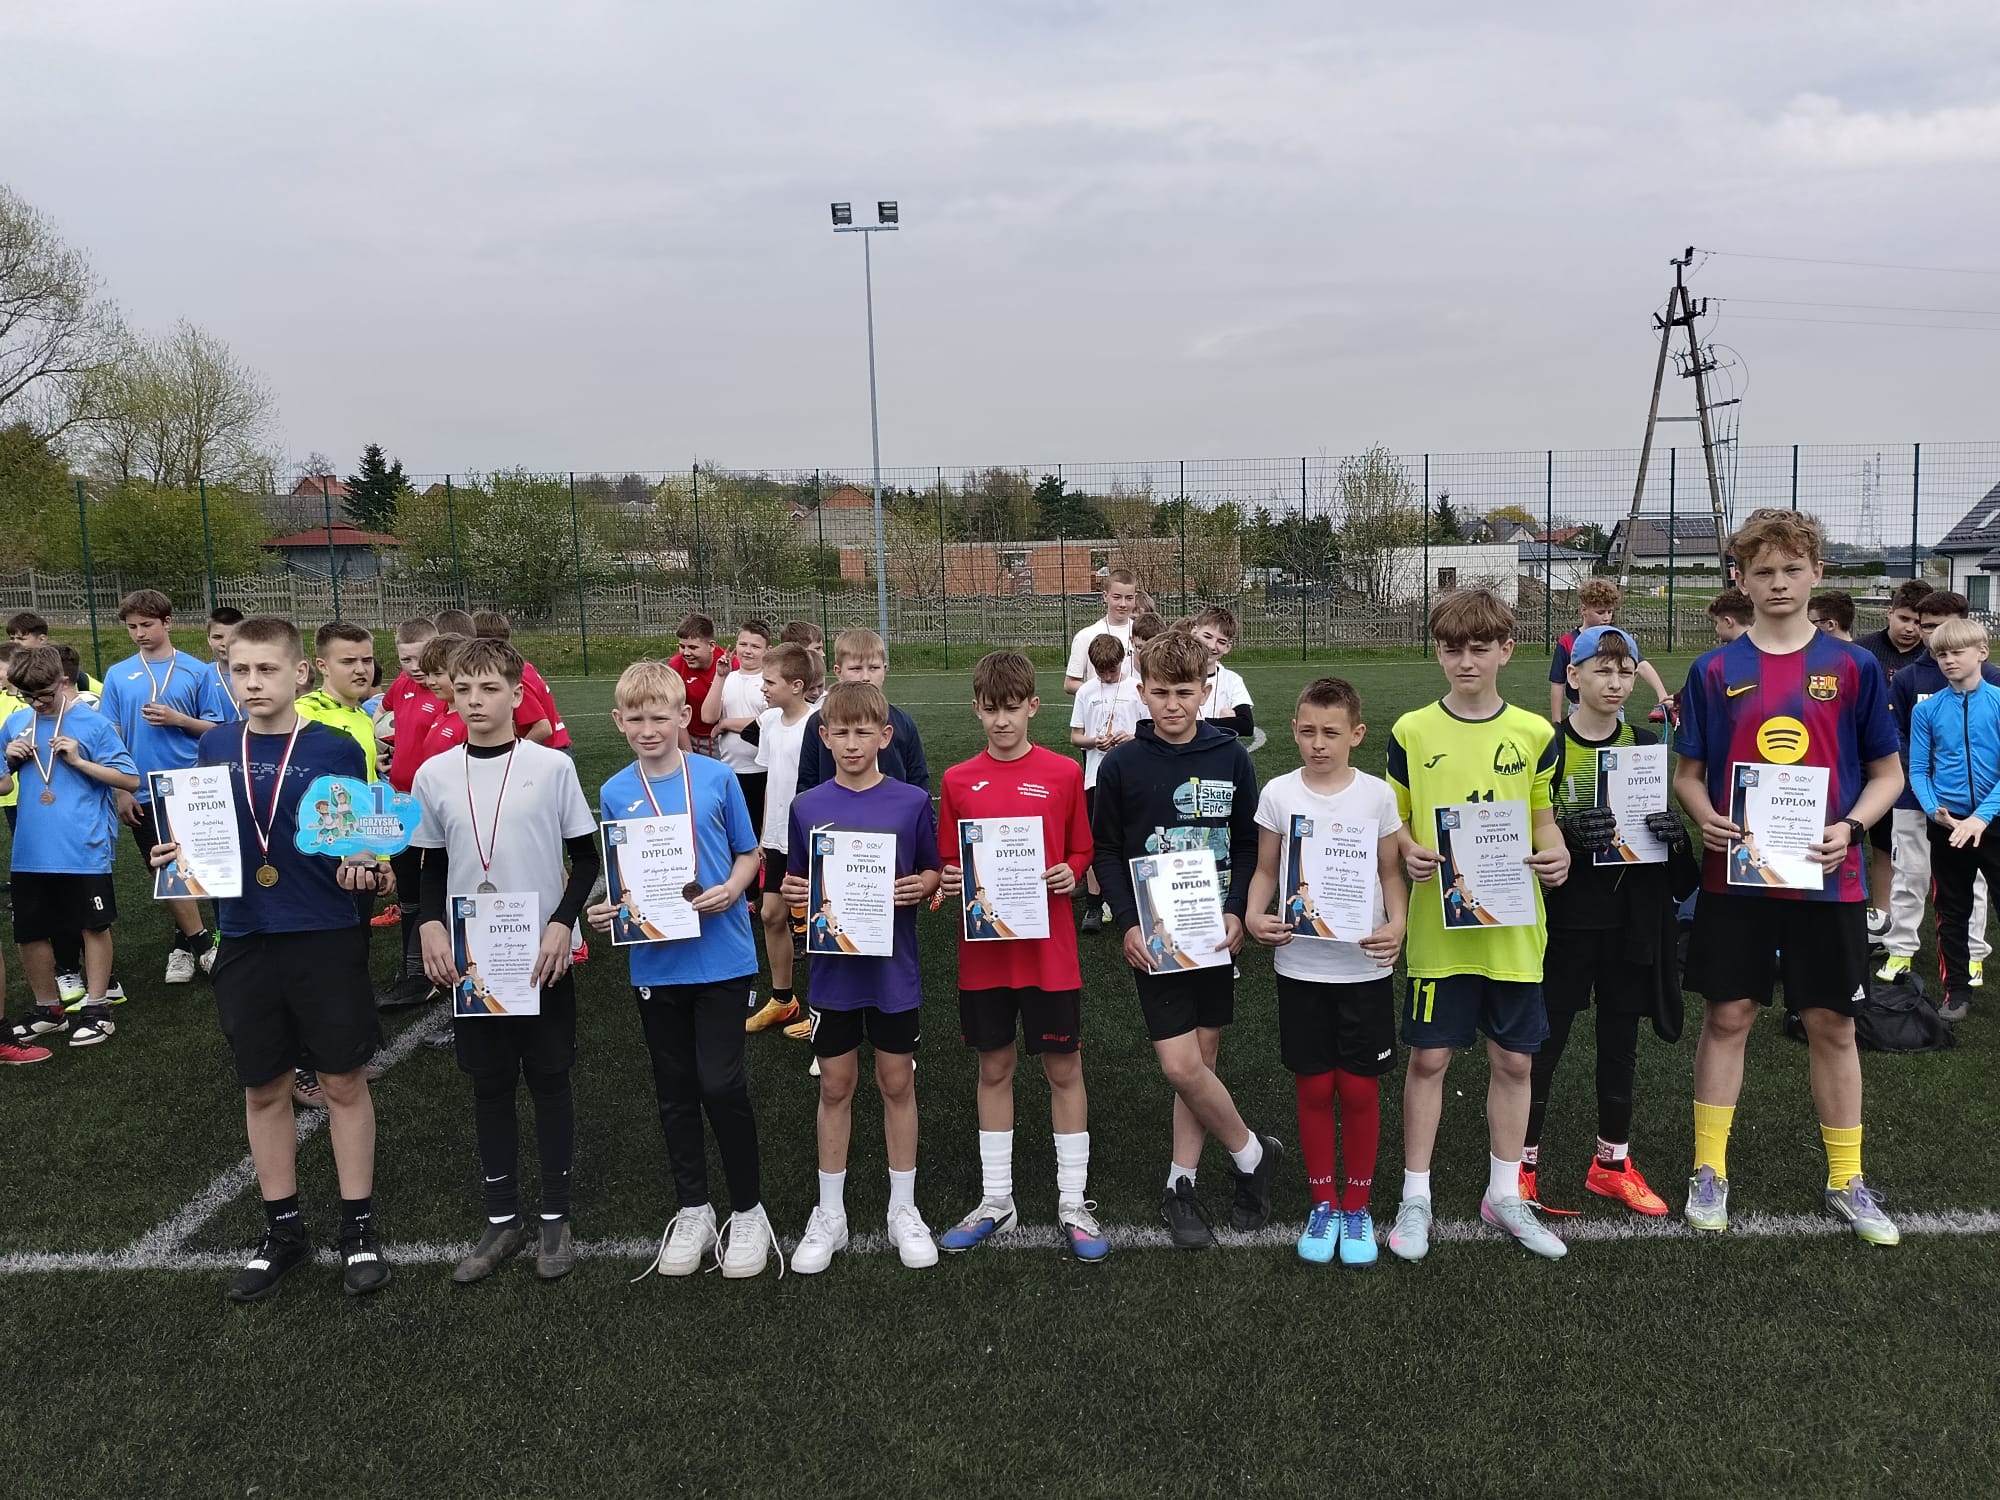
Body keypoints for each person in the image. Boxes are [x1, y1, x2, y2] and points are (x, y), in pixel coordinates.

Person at [1673, 508, 1904, 1245]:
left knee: (1833, 1022)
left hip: (1827, 878)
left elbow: (1887, 774)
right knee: (1729, 1016)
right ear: (1740, 579)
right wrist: (1706, 816)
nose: (1778, 583)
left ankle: (1847, 1179)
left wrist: (1852, 828)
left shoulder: (1853, 667)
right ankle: (1709, 1170)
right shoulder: (1715, 670)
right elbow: (1688, 775)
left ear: (1816, 574)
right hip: (1736, 877)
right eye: (1763, 571)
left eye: (1791, 569)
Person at [155, 616, 393, 1300]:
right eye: (240, 670)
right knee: (263, 1087)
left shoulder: (335, 747)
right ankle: (284, 1232)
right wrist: (177, 855)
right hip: (245, 935)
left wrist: (367, 860)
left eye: (266, 669)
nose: (252, 682)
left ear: (299, 674)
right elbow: (207, 835)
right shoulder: (214, 746)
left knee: (342, 1082)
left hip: (323, 932)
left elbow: (363, 837)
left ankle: (357, 1229)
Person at [1385, 588, 1572, 1262]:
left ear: (1505, 650)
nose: (1465, 661)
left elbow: (1543, 818)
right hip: (1440, 931)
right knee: (1429, 1058)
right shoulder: (1411, 731)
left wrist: (1558, 854)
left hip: (1513, 932)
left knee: (1514, 1061)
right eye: (1451, 649)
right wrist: (1408, 848)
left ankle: (1503, 1194)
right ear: (1438, 653)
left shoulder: (1536, 733)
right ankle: (1415, 1197)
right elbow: (1395, 820)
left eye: (1479, 648)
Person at [414, 638, 601, 1283]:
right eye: (463, 689)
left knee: (549, 1078)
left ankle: (554, 1216)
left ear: (517, 695)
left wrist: (561, 923)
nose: (475, 701)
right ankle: (501, 1219)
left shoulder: (550, 768)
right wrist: (430, 922)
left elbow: (587, 858)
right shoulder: (435, 773)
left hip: (541, 956)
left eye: (489, 689)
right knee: (489, 1083)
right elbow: (430, 863)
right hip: (475, 961)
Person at [1092, 630, 1279, 1250]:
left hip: (1212, 933)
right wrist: (1126, 921)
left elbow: (1248, 843)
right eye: (1160, 692)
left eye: (1184, 692)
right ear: (1141, 690)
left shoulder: (1230, 757)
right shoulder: (1122, 764)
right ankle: (1252, 1154)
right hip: (1155, 936)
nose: (1172, 704)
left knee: (1202, 1058)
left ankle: (1182, 1181)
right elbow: (1107, 849)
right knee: (1179, 1065)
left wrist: (1236, 910)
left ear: (1205, 690)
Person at [588, 662, 774, 1279]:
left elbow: (750, 853)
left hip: (722, 958)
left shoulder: (717, 777)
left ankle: (748, 1210)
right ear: (619, 721)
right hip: (657, 963)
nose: (648, 728)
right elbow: (622, 878)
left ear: (682, 717)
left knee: (720, 1084)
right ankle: (694, 1208)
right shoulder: (615, 790)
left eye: (659, 716)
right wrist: (608, 911)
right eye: (635, 718)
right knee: (674, 1090)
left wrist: (733, 889)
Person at [936, 652, 1105, 1261]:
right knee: (994, 1069)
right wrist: (949, 878)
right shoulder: (957, 780)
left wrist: (1070, 872)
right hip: (985, 956)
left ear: (1034, 706)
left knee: (1064, 1069)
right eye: (991, 709)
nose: (1001, 721)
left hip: (1048, 954)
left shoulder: (1062, 772)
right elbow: (948, 861)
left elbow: (1082, 849)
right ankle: (996, 1200)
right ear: (976, 709)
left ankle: (1073, 1201)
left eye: (1012, 708)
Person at [1524, 625, 1698, 1216]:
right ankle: (1522, 1165)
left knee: (1620, 1043)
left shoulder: (1644, 745)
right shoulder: (1545, 744)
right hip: (1565, 920)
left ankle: (1612, 1163)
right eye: (1602, 669)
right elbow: (1516, 841)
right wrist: (1563, 836)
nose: (1616, 682)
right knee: (1544, 1041)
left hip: (1631, 922)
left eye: (1625, 671)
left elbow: (1678, 877)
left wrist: (1677, 840)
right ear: (1573, 676)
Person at [780, 681, 943, 1274]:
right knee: (835, 1085)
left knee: (897, 1083)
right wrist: (793, 890)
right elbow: (797, 880)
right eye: (841, 732)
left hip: (893, 972)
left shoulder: (910, 802)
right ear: (824, 737)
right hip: (834, 975)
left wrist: (923, 886)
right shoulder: (807, 806)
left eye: (863, 732)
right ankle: (831, 1213)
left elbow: (932, 872)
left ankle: (904, 1208)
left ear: (885, 736)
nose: (852, 743)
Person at [1245, 676, 1408, 1265]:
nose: (1318, 743)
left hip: (1363, 968)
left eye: (1331, 733)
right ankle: (1323, 1202)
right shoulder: (1279, 793)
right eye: (1308, 731)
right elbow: (1268, 870)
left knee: (1359, 1089)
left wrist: (1398, 924)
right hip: (1301, 965)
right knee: (1314, 1087)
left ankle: (1356, 1206)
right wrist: (1254, 913)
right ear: (1294, 730)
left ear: (1356, 735)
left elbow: (1390, 873)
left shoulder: (1377, 796)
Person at [789, 627, 930, 1026]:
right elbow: (807, 784)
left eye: (873, 667)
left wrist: (922, 874)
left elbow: (919, 782)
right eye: (856, 668)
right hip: (836, 850)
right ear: (837, 670)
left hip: (889, 855)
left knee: (888, 947)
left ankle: (892, 1017)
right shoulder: (818, 728)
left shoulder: (902, 725)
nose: (865, 675)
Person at [3, 645, 139, 1048]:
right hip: (30, 849)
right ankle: (49, 1009)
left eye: (44, 694)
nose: (37, 703)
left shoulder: (92, 723)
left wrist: (80, 762)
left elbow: (129, 779)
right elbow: (3, 786)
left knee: (92, 925)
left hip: (83, 846)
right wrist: (9, 762)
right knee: (29, 932)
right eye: (27, 696)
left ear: (62, 680)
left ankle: (97, 1008)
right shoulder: (16, 724)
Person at [99, 589, 227, 983]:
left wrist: (178, 719)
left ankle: (184, 947)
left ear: (167, 623)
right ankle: (201, 946)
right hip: (141, 785)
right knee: (164, 868)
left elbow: (215, 728)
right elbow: (111, 735)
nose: (139, 633)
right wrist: (121, 789)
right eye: (132, 626)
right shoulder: (118, 674)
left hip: (190, 782)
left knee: (191, 868)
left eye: (146, 624)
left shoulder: (196, 671)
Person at [1881, 590, 2000, 987]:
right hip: (1915, 797)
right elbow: (1897, 735)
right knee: (1909, 874)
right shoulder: (1909, 678)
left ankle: (1973, 954)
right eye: (1926, 627)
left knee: (1974, 884)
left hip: (1979, 809)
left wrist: (1982, 812)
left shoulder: (1992, 680)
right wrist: (1925, 790)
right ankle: (1900, 949)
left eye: (1940, 627)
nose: (1931, 636)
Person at [1908, 617, 2000, 1024]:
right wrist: (1934, 810)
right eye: (1940, 654)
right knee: (1951, 909)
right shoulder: (1926, 710)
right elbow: (1917, 769)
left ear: (1982, 652)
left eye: (1957, 652)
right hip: (1948, 826)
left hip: (1994, 822)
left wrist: (1981, 817)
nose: (1948, 660)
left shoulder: (1998, 701)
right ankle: (1957, 992)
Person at [1853, 580, 1942, 946]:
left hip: (1919, 772)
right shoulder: (1862, 651)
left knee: (1907, 849)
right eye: (1904, 618)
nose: (1911, 629)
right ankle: (1873, 915)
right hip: (1867, 766)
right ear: (1889, 612)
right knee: (1869, 843)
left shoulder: (1936, 659)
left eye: (1918, 622)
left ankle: (1898, 919)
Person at [745, 642, 819, 1033]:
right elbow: (771, 781)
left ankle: (824, 1008)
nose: (763, 688)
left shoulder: (817, 724)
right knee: (771, 914)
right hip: (777, 838)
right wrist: (764, 834)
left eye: (770, 682)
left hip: (808, 839)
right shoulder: (770, 722)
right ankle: (783, 1000)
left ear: (796, 685)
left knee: (819, 922)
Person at [377, 618, 445, 1003]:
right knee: (408, 893)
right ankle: (414, 969)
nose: (416, 668)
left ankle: (430, 973)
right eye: (406, 659)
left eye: (423, 658)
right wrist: (382, 751)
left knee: (431, 890)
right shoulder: (402, 686)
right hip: (400, 802)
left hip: (433, 809)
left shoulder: (448, 691)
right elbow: (383, 715)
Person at [1068, 633, 1143, 934]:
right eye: (1101, 671)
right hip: (1096, 777)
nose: (1107, 676)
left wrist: (1131, 737)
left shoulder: (1137, 688)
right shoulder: (1086, 691)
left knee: (1133, 836)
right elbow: (1076, 736)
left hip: (1133, 775)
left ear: (1122, 661)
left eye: (1111, 670)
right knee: (1097, 840)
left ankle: (1135, 901)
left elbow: (1150, 730)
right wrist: (1094, 741)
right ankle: (1094, 904)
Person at [1547, 579, 1669, 723]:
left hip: (1613, 709)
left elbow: (1641, 665)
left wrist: (1662, 695)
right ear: (1583, 609)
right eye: (1600, 612)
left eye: (1610, 612)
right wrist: (1556, 722)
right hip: (1579, 709)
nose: (1606, 617)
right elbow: (1558, 683)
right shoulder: (1567, 642)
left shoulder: (1617, 639)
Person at [700, 620, 772, 858]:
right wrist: (720, 676)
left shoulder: (768, 681)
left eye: (755, 646)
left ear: (767, 650)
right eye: (743, 644)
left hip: (762, 770)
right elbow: (708, 716)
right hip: (731, 770)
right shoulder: (727, 678)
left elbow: (767, 720)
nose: (747, 651)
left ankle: (760, 873)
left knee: (759, 831)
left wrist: (727, 723)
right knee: (734, 833)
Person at [472, 610, 569, 749]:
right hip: (555, 746)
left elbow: (543, 728)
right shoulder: (523, 666)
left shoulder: (512, 674)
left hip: (551, 749)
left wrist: (515, 754)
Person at [1062, 568, 1140, 694]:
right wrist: (1098, 692)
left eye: (1129, 598)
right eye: (1117, 597)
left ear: (1135, 598)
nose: (1123, 604)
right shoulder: (1086, 636)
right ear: (1105, 596)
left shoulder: (1142, 634)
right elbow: (1070, 683)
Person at [1188, 606, 1255, 742]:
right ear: (1194, 633)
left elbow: (1246, 726)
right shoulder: (1175, 673)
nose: (1212, 646)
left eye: (1221, 642)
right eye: (1207, 636)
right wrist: (1224, 722)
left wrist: (1197, 722)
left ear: (1228, 647)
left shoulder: (1232, 680)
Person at [668, 613, 722, 757]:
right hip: (688, 735)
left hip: (723, 736)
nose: (686, 653)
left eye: (693, 647)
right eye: (682, 646)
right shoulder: (675, 666)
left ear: (711, 646)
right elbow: (676, 713)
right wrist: (689, 756)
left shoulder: (730, 665)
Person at [205, 607, 246, 723]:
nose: (225, 644)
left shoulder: (259, 673)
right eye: (217, 637)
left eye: (232, 637)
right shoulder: (201, 677)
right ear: (209, 639)